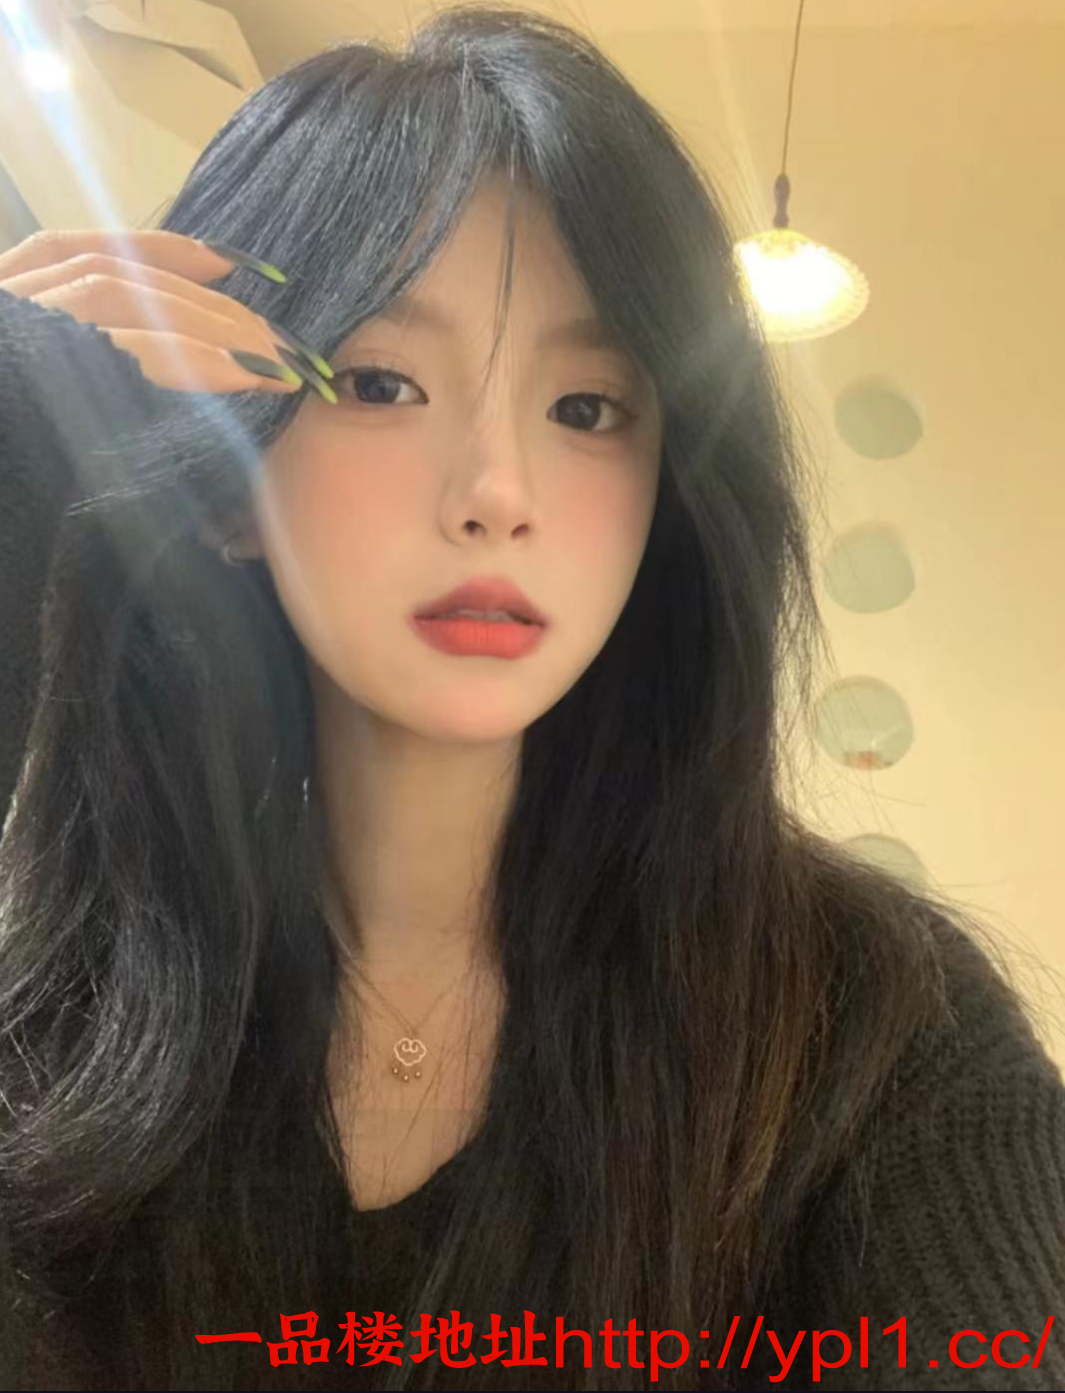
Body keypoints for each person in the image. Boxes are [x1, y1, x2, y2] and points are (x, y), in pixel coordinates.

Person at [0, 7, 1061, 1391]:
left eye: (588, 408)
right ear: (225, 483)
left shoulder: (878, 1031)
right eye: (380, 381)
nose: (496, 493)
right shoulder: (52, 1013)